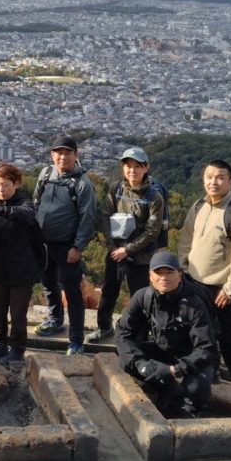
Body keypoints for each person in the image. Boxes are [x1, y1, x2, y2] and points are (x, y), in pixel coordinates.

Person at [177, 159, 231, 386]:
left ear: (230, 182)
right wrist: (183, 269)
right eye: (209, 177)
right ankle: (211, 373)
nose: (214, 182)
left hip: (221, 286)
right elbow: (186, 239)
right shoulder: (199, 206)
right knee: (200, 333)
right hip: (193, 281)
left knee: (229, 335)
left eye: (220, 177)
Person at [117, 251, 219, 418]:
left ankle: (188, 416)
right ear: (150, 276)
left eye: (169, 272)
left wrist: (174, 370)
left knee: (196, 388)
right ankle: (165, 389)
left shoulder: (194, 303)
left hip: (193, 357)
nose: (164, 278)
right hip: (164, 350)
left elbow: (206, 347)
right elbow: (123, 332)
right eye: (158, 273)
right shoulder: (143, 297)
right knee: (125, 360)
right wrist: (142, 363)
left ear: (180, 275)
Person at [90, 147, 165, 344]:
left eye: (137, 167)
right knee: (109, 292)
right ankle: (104, 327)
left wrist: (127, 250)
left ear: (146, 168)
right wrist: (112, 248)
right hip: (115, 251)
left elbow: (152, 231)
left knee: (139, 297)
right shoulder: (116, 189)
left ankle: (138, 336)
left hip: (140, 255)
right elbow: (105, 217)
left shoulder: (153, 196)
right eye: (128, 166)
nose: (132, 171)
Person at [33, 134, 99, 356]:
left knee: (72, 292)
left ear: (75, 155)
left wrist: (78, 247)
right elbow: (36, 202)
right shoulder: (45, 174)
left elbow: (88, 218)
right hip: (44, 242)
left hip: (67, 245)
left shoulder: (82, 183)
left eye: (67, 152)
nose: (62, 156)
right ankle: (55, 320)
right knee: (49, 283)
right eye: (58, 152)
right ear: (52, 155)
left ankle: (77, 340)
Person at [0, 163, 40, 366]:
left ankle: (17, 349)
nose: (1, 190)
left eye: (5, 185)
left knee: (17, 313)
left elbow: (26, 215)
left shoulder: (25, 203)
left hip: (22, 269)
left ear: (16, 183)